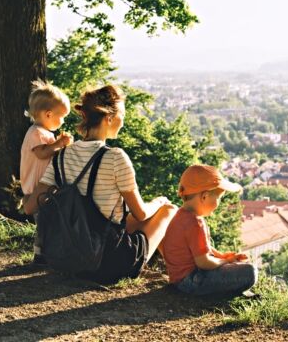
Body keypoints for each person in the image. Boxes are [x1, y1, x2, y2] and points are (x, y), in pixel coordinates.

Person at [24, 84, 177, 282]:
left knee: (125, 219)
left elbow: (29, 208)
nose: (123, 120)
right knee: (169, 210)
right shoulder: (116, 157)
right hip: (108, 263)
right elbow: (141, 213)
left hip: (70, 257)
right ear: (109, 117)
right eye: (122, 114)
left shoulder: (62, 155)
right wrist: (158, 202)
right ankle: (178, 274)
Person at [162, 164, 257, 296]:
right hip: (192, 281)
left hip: (180, 280)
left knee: (238, 268)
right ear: (205, 197)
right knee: (250, 272)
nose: (218, 204)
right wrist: (226, 261)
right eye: (218, 198)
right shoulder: (195, 223)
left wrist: (223, 256)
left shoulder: (181, 215)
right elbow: (204, 262)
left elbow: (203, 249)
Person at [20, 79, 73, 263]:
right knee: (43, 222)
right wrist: (59, 144)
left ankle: (49, 251)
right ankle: (40, 254)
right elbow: (42, 153)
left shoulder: (44, 133)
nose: (63, 120)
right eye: (62, 116)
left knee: (49, 220)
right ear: (49, 114)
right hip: (36, 188)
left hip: (43, 188)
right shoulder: (36, 133)